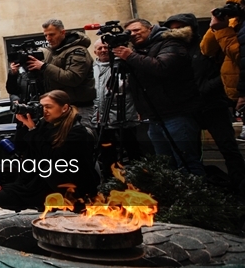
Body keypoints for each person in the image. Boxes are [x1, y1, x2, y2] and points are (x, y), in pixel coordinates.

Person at [111, 19, 204, 176]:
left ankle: (196, 198)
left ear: (151, 29)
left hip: (177, 113)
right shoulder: (139, 51)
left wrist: (130, 56)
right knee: (165, 164)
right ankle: (173, 197)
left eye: (137, 30)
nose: (133, 34)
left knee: (187, 163)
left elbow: (162, 68)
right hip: (154, 117)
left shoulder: (170, 43)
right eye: (130, 32)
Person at [165, 13, 245, 192]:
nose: (176, 32)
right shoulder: (172, 50)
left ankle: (239, 186)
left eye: (180, 27)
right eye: (173, 28)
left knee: (227, 148)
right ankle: (201, 190)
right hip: (188, 108)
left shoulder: (207, 45)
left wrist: (206, 88)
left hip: (213, 105)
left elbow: (225, 69)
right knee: (190, 152)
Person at [0, 90, 99, 211]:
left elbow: (55, 158)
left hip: (72, 182)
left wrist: (33, 131)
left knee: (52, 170)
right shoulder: (43, 125)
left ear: (64, 108)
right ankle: (48, 204)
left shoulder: (77, 131)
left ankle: (74, 204)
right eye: (41, 106)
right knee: (4, 197)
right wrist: (22, 125)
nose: (44, 110)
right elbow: (21, 148)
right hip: (41, 181)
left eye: (48, 107)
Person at [91, 39, 141, 176]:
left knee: (133, 151)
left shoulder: (123, 66)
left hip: (125, 117)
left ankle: (138, 179)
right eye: (99, 48)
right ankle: (110, 181)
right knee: (107, 154)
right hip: (102, 120)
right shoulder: (92, 69)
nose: (103, 50)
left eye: (106, 47)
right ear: (95, 51)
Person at [24, 19, 94, 108]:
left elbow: (73, 78)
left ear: (62, 32)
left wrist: (43, 66)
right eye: (46, 35)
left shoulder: (78, 51)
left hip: (78, 107)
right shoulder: (51, 52)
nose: (48, 38)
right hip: (57, 106)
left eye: (52, 34)